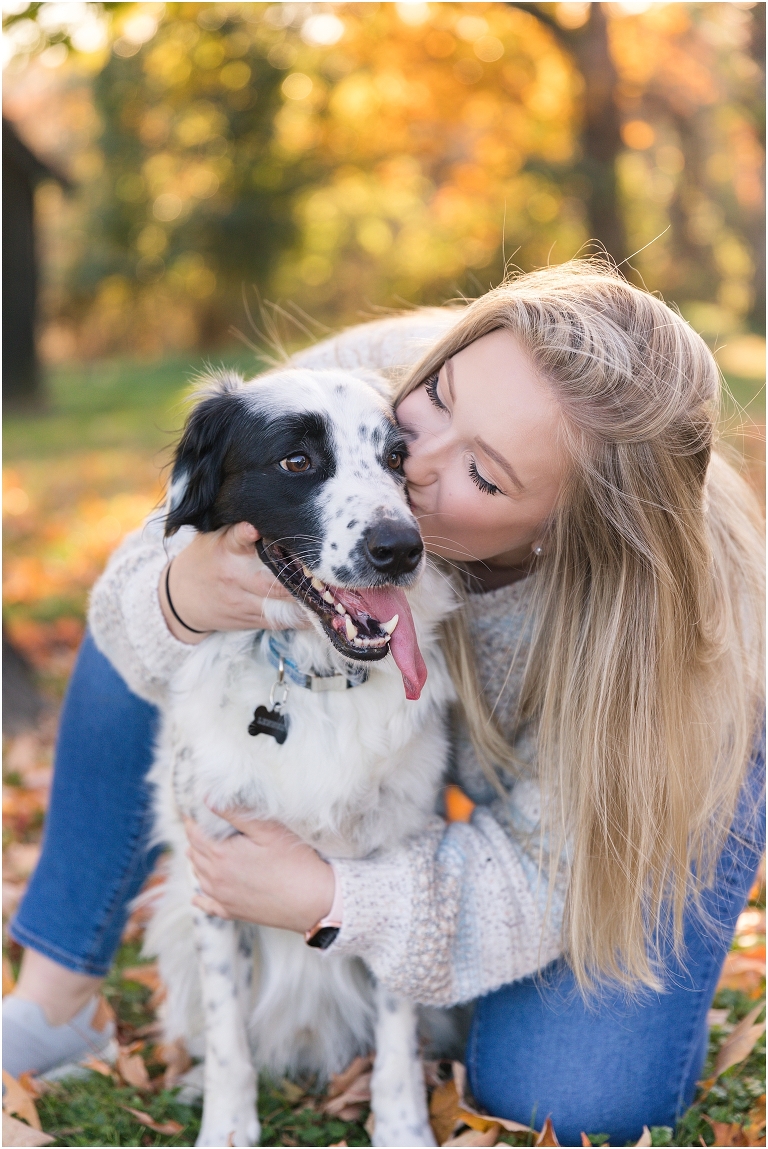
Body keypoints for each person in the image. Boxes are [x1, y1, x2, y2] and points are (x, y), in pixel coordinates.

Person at [4, 261, 764, 1145]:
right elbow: (136, 585)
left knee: (572, 1095)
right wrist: (183, 592)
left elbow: (541, 873)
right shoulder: (373, 383)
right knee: (144, 621)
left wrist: (339, 897)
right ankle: (55, 997)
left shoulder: (663, 652)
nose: (409, 471)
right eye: (438, 398)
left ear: (566, 525)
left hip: (662, 789)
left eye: (482, 473)